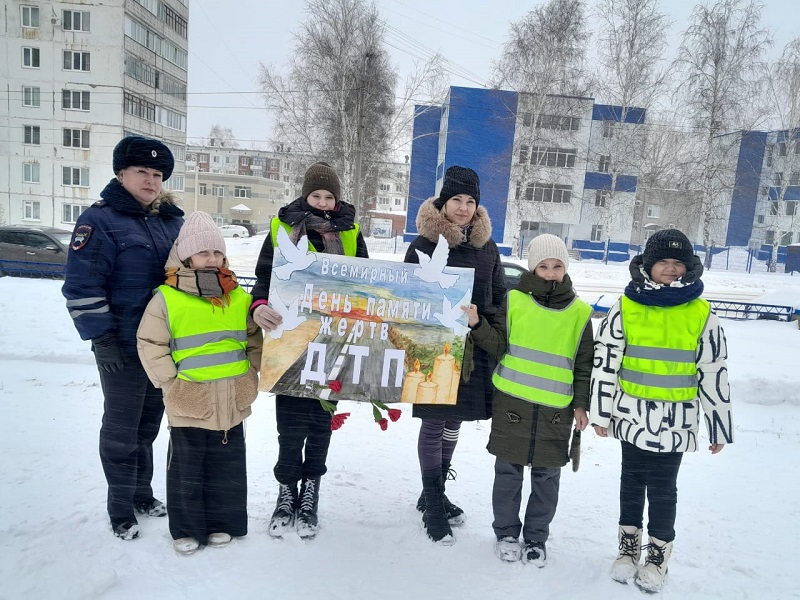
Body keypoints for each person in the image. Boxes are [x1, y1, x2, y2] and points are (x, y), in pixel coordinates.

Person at [589, 229, 734, 592]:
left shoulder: (701, 312)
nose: (670, 269)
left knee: (664, 489)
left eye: (677, 262)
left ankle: (658, 555)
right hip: (631, 416)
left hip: (675, 421)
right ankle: (627, 548)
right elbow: (606, 361)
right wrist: (600, 412)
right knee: (631, 482)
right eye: (662, 262)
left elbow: (713, 371)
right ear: (647, 266)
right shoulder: (627, 306)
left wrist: (718, 426)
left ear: (688, 267)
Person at [62, 135, 184, 540]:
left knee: (148, 425)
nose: (151, 181)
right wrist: (102, 339)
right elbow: (82, 287)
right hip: (122, 344)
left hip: (162, 348)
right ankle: (119, 506)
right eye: (141, 172)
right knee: (121, 430)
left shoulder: (172, 221)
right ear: (121, 174)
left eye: (157, 174)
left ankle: (142, 493)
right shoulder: (99, 221)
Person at [250, 162, 369, 540]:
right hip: (289, 342)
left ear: (337, 199)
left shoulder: (351, 232)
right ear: (305, 195)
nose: (321, 202)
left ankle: (310, 493)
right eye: (315, 195)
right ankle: (286, 491)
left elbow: (366, 282)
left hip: (333, 342)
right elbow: (264, 279)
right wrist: (259, 307)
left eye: (328, 196)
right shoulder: (282, 228)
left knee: (320, 424)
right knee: (289, 426)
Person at [136, 211, 263, 555]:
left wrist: (251, 373)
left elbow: (253, 338)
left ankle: (224, 523)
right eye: (203, 252)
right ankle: (187, 529)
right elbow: (150, 344)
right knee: (186, 471)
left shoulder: (237, 296)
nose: (211, 259)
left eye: (217, 252)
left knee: (228, 467)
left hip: (232, 398)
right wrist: (171, 384)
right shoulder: (168, 297)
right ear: (186, 256)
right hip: (189, 399)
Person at [464, 234, 593, 566]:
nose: (551, 272)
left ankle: (536, 538)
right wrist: (478, 325)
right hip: (513, 407)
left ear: (566, 268)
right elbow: (499, 345)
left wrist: (581, 403)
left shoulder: (580, 312)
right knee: (508, 473)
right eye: (544, 266)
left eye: (557, 266)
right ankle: (507, 533)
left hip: (556, 413)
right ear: (533, 267)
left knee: (547, 479)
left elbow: (583, 363)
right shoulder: (515, 301)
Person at [404, 165, 506, 545]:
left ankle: (436, 491)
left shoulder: (487, 247)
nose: (463, 208)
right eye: (456, 200)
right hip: (434, 348)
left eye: (470, 201)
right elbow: (407, 298)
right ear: (443, 203)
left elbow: (497, 299)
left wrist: (482, 321)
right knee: (434, 423)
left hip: (473, 348)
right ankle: (432, 503)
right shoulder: (423, 245)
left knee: (455, 422)